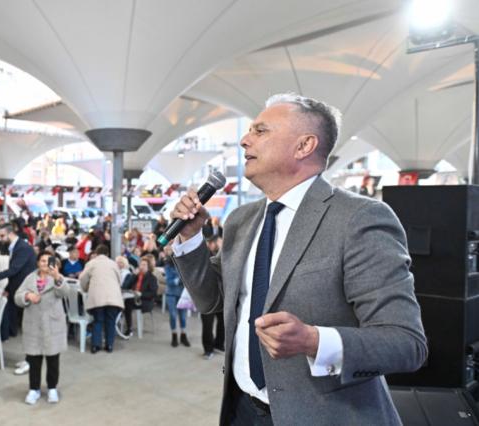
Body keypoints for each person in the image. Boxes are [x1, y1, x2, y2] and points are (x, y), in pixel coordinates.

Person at [170, 93, 426, 425]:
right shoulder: (240, 220)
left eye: (260, 131)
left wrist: (314, 340)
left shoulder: (358, 218)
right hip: (242, 409)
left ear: (303, 146)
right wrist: (190, 241)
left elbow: (406, 343)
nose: (245, 140)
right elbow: (210, 300)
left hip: (323, 415)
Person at [14, 251, 69, 405]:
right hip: (33, 324)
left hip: (52, 324)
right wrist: (27, 296)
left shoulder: (57, 277)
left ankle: (52, 388)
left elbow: (64, 292)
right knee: (34, 359)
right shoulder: (30, 278)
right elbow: (17, 296)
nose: (46, 264)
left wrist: (57, 277)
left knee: (53, 360)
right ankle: (34, 389)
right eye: (42, 261)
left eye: (48, 261)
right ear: (37, 263)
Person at [0, 225, 37, 341]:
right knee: (8, 310)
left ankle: (6, 335)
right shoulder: (16, 246)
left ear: (10, 234)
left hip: (24, 287)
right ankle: (7, 334)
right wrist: (8, 288)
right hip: (16, 285)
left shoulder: (22, 247)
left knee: (9, 311)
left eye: (2, 236)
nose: (0, 239)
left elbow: (14, 270)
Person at [79, 245, 124, 354]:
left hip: (97, 297)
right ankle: (109, 346)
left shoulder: (91, 263)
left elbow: (82, 278)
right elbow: (120, 280)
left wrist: (86, 289)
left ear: (97, 254)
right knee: (110, 321)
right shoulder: (113, 264)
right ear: (108, 254)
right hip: (113, 297)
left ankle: (95, 346)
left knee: (98, 321)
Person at [201, 234, 225, 360]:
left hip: (222, 296)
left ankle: (219, 344)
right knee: (207, 324)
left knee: (223, 322)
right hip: (207, 297)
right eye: (219, 242)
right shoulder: (204, 257)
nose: (221, 244)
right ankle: (208, 349)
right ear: (212, 244)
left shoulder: (224, 256)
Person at [122, 255, 158, 336]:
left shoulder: (152, 278)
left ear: (149, 266)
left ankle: (129, 328)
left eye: (144, 265)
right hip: (134, 299)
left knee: (127, 304)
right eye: (141, 264)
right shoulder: (137, 275)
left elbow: (153, 293)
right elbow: (127, 286)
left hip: (145, 301)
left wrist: (141, 294)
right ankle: (127, 327)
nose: (141, 266)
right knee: (124, 303)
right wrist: (134, 275)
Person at [162, 244, 189, 348]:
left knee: (183, 315)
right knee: (173, 315)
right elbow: (169, 282)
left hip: (182, 294)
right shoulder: (168, 266)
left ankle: (183, 334)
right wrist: (179, 280)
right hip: (171, 293)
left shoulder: (184, 266)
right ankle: (174, 335)